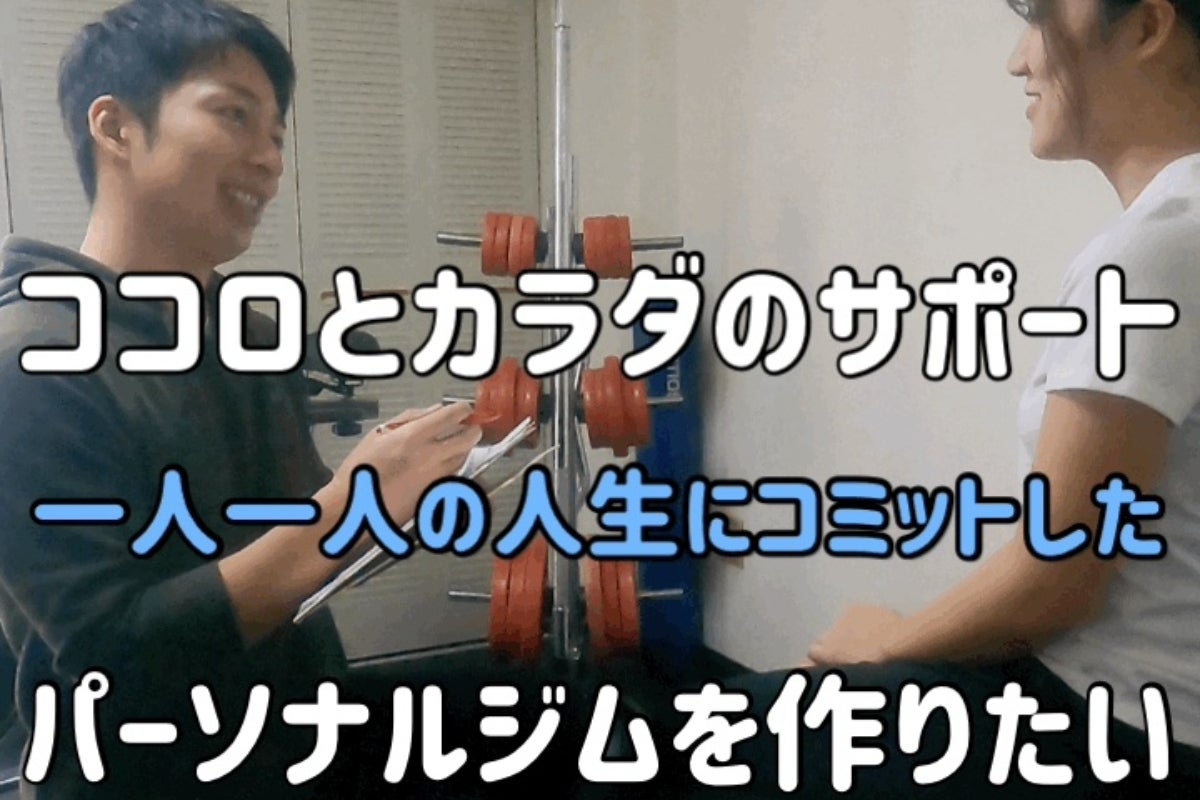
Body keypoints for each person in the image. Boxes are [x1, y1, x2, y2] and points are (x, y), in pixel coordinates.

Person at [679, 1, 1200, 797]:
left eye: (1041, 18)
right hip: (1136, 710)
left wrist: (889, 643)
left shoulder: (1155, 250)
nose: (1019, 59)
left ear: (1144, 28)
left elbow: (1059, 577)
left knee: (688, 746)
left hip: (1108, 724)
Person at [0, 1, 499, 797]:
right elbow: (111, 659)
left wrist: (403, 491)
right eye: (233, 115)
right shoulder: (29, 356)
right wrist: (350, 505)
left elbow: (289, 537)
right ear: (116, 127)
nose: (268, 159)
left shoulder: (247, 331)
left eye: (276, 134)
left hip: (290, 748)